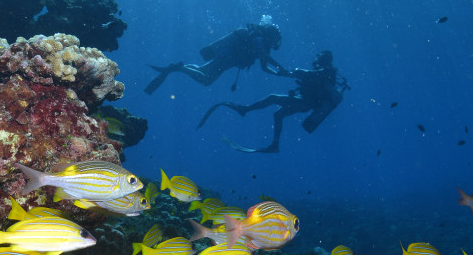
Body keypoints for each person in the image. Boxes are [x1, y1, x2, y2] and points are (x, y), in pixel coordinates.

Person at [196, 49, 346, 153]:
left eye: (319, 57)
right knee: (278, 114)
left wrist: (297, 73)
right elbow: (310, 82)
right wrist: (295, 83)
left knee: (273, 98)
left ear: (324, 59)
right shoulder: (325, 72)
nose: (316, 59)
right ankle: (274, 145)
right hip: (305, 101)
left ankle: (245, 110)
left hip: (307, 103)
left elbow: (309, 75)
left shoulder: (328, 71)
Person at [144, 16, 283, 94]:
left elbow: (265, 67)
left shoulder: (260, 42)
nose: (274, 43)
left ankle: (180, 67)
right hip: (226, 59)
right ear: (270, 36)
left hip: (225, 56)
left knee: (201, 70)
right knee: (206, 80)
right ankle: (180, 68)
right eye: (275, 40)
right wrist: (281, 68)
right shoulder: (259, 40)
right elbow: (263, 56)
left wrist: (280, 73)